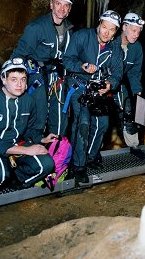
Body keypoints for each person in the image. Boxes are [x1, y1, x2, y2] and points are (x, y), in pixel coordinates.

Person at [0, 58, 55, 196]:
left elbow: (30, 130)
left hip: (16, 144)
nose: (19, 84)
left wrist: (41, 139)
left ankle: (17, 179)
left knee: (47, 164)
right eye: (14, 79)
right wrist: (25, 150)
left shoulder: (28, 101)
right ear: (3, 79)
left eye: (23, 79)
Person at [62, 10, 123, 185]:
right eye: (104, 27)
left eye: (111, 30)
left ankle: (90, 156)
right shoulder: (81, 36)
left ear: (116, 32)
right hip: (78, 85)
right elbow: (67, 60)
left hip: (98, 89)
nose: (106, 32)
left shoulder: (115, 48)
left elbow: (118, 72)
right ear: (99, 24)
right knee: (83, 122)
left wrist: (110, 84)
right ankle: (78, 166)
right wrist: (82, 66)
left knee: (102, 124)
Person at [11, 0, 74, 137]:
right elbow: (19, 54)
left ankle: (57, 152)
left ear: (69, 9)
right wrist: (14, 80)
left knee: (60, 115)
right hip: (37, 75)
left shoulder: (69, 29)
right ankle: (32, 152)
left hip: (58, 75)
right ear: (51, 4)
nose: (62, 8)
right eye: (58, 3)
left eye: (66, 5)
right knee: (38, 115)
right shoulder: (36, 27)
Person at [112, 12, 145, 160]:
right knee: (98, 117)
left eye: (139, 31)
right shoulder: (111, 42)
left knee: (129, 112)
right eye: (134, 30)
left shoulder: (137, 48)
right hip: (102, 82)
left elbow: (134, 72)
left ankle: (133, 145)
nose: (136, 34)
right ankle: (91, 152)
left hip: (119, 84)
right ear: (124, 27)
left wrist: (137, 90)